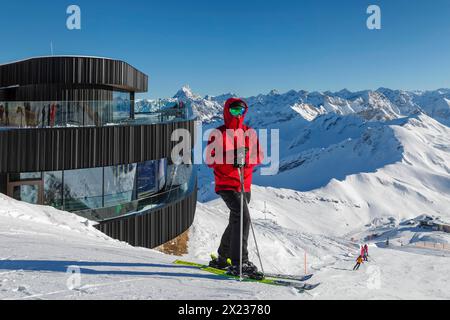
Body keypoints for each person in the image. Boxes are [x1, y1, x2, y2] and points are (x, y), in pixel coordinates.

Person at [206, 98, 263, 279]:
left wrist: (246, 159)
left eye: (240, 111)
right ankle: (240, 262)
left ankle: (222, 258)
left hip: (244, 184)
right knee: (243, 218)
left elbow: (258, 156)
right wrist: (231, 157)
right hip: (226, 184)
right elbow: (210, 159)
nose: (237, 114)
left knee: (236, 220)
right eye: (234, 111)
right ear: (227, 111)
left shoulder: (249, 132)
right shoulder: (218, 133)